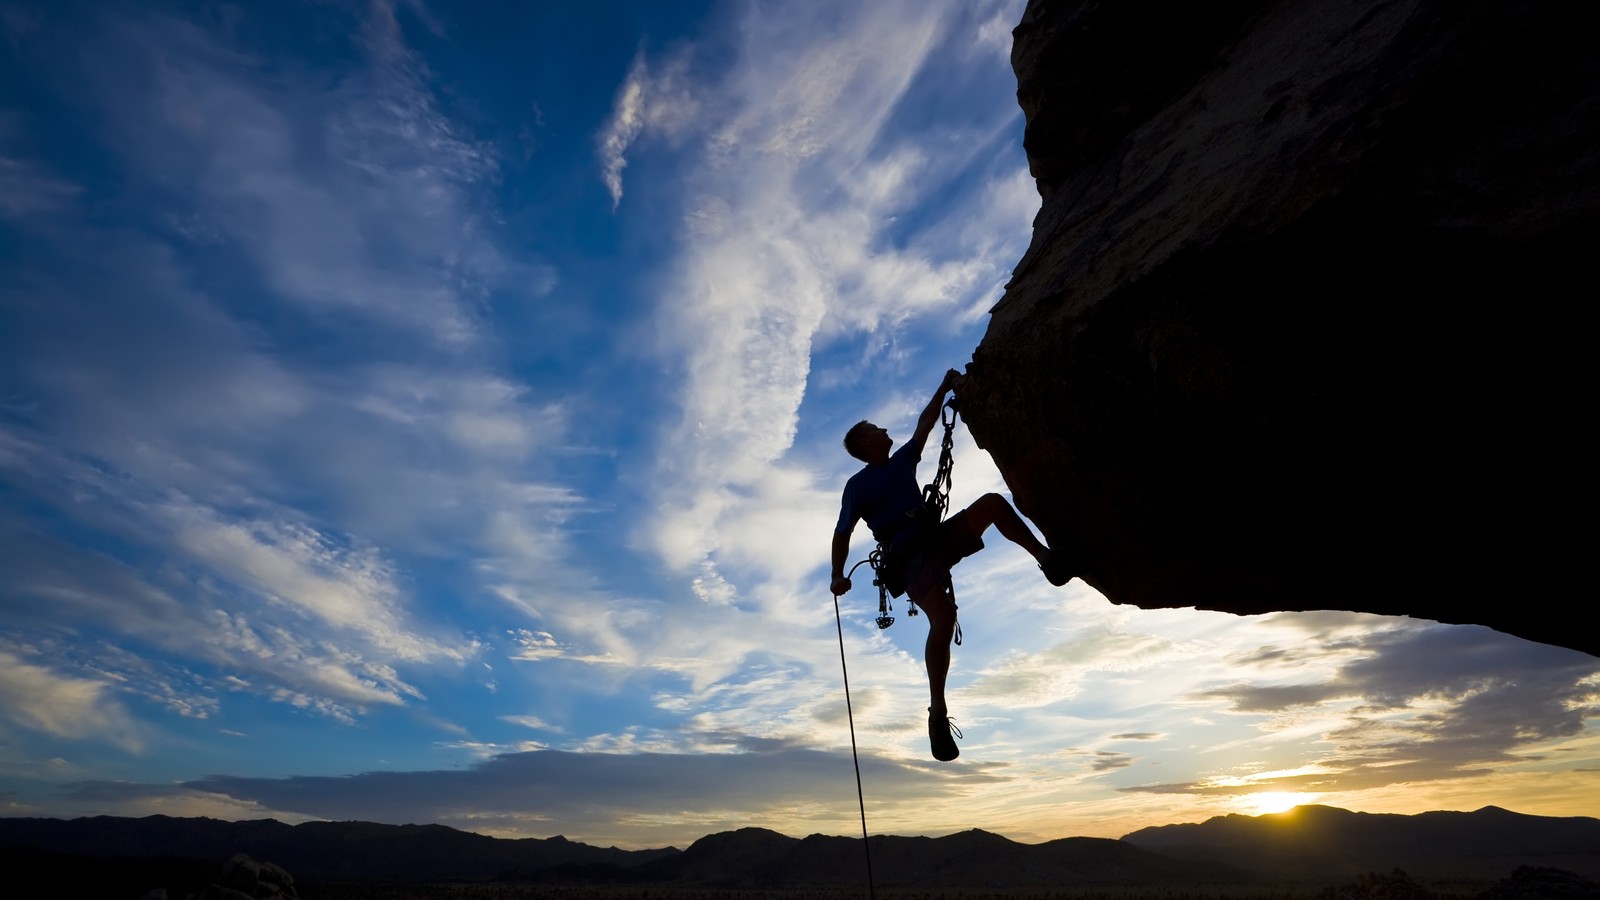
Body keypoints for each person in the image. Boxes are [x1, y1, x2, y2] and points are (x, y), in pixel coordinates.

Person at [830, 368, 1074, 761]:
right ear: (866, 442)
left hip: (934, 538)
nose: (885, 428)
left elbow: (925, 426)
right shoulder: (858, 487)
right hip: (908, 558)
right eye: (877, 428)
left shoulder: (902, 460)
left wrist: (944, 386)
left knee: (993, 504)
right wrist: (836, 575)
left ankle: (1047, 560)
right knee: (943, 616)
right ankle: (938, 712)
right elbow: (842, 533)